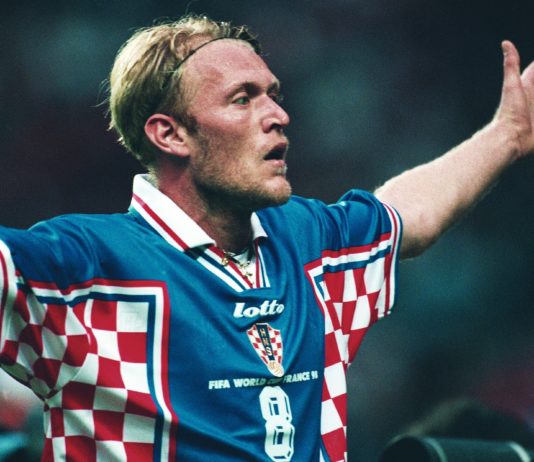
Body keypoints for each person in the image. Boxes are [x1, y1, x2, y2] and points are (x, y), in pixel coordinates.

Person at [0, 13, 532, 462]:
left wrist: (508, 133)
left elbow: (409, 214)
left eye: (273, 95)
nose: (278, 115)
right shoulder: (81, 266)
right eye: (242, 99)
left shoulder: (308, 245)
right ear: (170, 134)